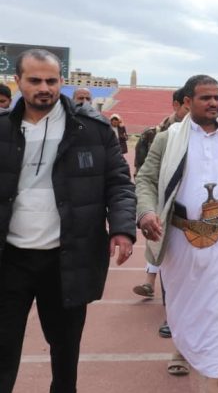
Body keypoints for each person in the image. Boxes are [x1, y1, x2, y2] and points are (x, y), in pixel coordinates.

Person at [0, 48, 136, 393]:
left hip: (67, 258)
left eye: (51, 80)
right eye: (34, 80)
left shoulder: (91, 129)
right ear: (18, 81)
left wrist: (122, 228)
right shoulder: (2, 128)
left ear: (62, 81)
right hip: (9, 259)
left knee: (64, 352)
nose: (44, 88)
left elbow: (119, 183)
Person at [135, 74, 218, 393]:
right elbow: (146, 179)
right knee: (182, 308)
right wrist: (147, 211)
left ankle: (212, 379)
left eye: (217, 97)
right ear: (188, 102)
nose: (213, 103)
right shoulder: (167, 139)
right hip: (179, 238)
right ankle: (185, 352)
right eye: (206, 98)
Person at [132, 87, 189, 342]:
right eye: (187, 107)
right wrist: (146, 208)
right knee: (167, 259)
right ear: (178, 104)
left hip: (192, 213)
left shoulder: (209, 135)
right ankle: (171, 314)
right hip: (161, 208)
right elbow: (143, 174)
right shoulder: (155, 135)